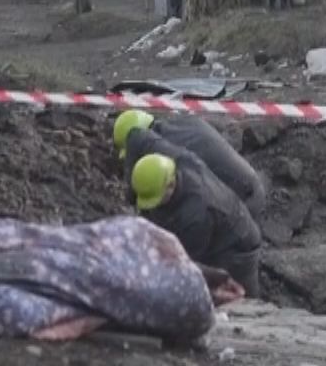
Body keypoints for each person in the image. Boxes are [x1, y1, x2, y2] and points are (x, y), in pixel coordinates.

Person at [131, 152, 264, 298]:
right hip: (217, 224)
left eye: (157, 199)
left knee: (234, 296)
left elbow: (186, 265)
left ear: (171, 185)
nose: (153, 207)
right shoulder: (178, 165)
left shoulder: (196, 214)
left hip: (237, 247)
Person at [114, 110, 268, 220]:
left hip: (244, 204)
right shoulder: (185, 121)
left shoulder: (170, 152)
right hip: (252, 185)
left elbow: (183, 197)